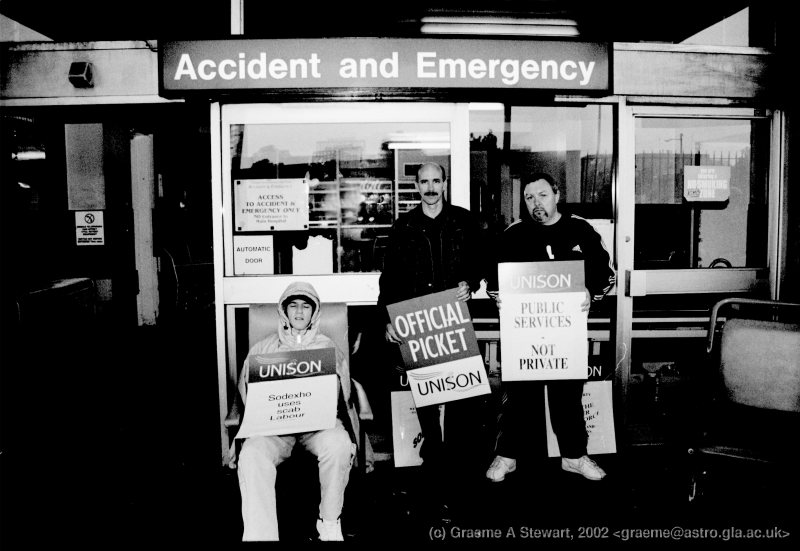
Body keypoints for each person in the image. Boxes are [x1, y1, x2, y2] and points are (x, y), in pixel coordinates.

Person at [486, 173, 616, 483]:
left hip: (565, 333)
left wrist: (590, 292)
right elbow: (494, 280)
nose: (536, 203)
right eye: (529, 198)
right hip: (525, 334)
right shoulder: (513, 235)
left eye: (542, 195)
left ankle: (574, 456)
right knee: (518, 397)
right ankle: (507, 456)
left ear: (556, 195)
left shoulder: (580, 230)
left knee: (568, 397)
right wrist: (500, 297)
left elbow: (605, 274)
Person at [378, 162, 488, 521]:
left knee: (458, 400)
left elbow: (481, 259)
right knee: (426, 402)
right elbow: (389, 278)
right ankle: (432, 470)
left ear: (445, 183)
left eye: (435, 180)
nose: (430, 187)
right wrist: (389, 319)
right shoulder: (404, 226)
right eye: (423, 181)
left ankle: (453, 478)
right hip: (418, 322)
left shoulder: (464, 220)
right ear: (416, 185)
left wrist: (470, 281)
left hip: (452, 321)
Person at [231, 281, 360, 541]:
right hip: (276, 428)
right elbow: (246, 394)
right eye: (293, 306)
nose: (299, 312)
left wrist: (328, 389)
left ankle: (329, 521)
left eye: (305, 306)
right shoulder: (263, 350)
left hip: (319, 425)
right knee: (252, 454)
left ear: (314, 313)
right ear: (284, 312)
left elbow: (345, 395)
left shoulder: (329, 348)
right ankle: (261, 535)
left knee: (339, 445)